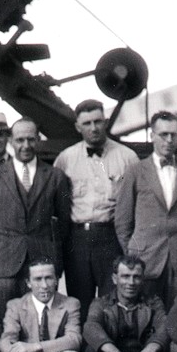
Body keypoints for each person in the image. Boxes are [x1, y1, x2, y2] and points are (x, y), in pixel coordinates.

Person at [113, 111, 177, 307]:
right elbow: (123, 221)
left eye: (173, 135)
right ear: (152, 136)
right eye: (163, 134)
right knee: (146, 315)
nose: (169, 140)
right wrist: (134, 251)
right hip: (145, 259)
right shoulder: (135, 172)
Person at [0, 118, 74, 310]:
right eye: (20, 140)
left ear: (38, 139)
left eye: (31, 139)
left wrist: (51, 253)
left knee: (41, 320)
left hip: (42, 264)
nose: (26, 146)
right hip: (4, 267)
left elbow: (63, 223)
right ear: (11, 141)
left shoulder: (55, 176)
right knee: (6, 322)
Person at [52, 99, 139, 305]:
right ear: (78, 127)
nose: (94, 128)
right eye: (87, 123)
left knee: (112, 301)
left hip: (111, 236)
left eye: (98, 121)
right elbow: (56, 203)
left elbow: (136, 204)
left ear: (106, 122)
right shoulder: (65, 159)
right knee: (79, 302)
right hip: (78, 239)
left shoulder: (127, 157)